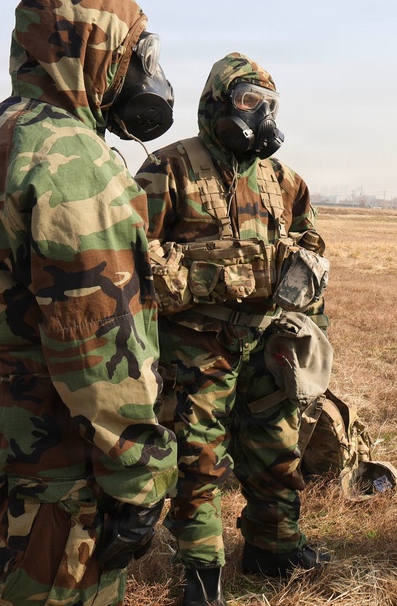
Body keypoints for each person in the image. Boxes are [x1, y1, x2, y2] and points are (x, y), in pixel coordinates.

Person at [0, 0, 178, 606]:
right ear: (94, 46)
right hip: (66, 440)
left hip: (3, 416)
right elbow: (96, 337)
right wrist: (138, 474)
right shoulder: (72, 156)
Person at [136, 53, 330, 605]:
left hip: (269, 341)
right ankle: (202, 575)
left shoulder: (284, 180)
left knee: (277, 447)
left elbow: (312, 253)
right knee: (197, 458)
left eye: (269, 105)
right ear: (217, 103)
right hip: (194, 347)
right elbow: (132, 258)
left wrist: (310, 324)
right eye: (248, 101)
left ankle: (276, 547)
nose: (260, 114)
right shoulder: (168, 168)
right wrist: (213, 273)